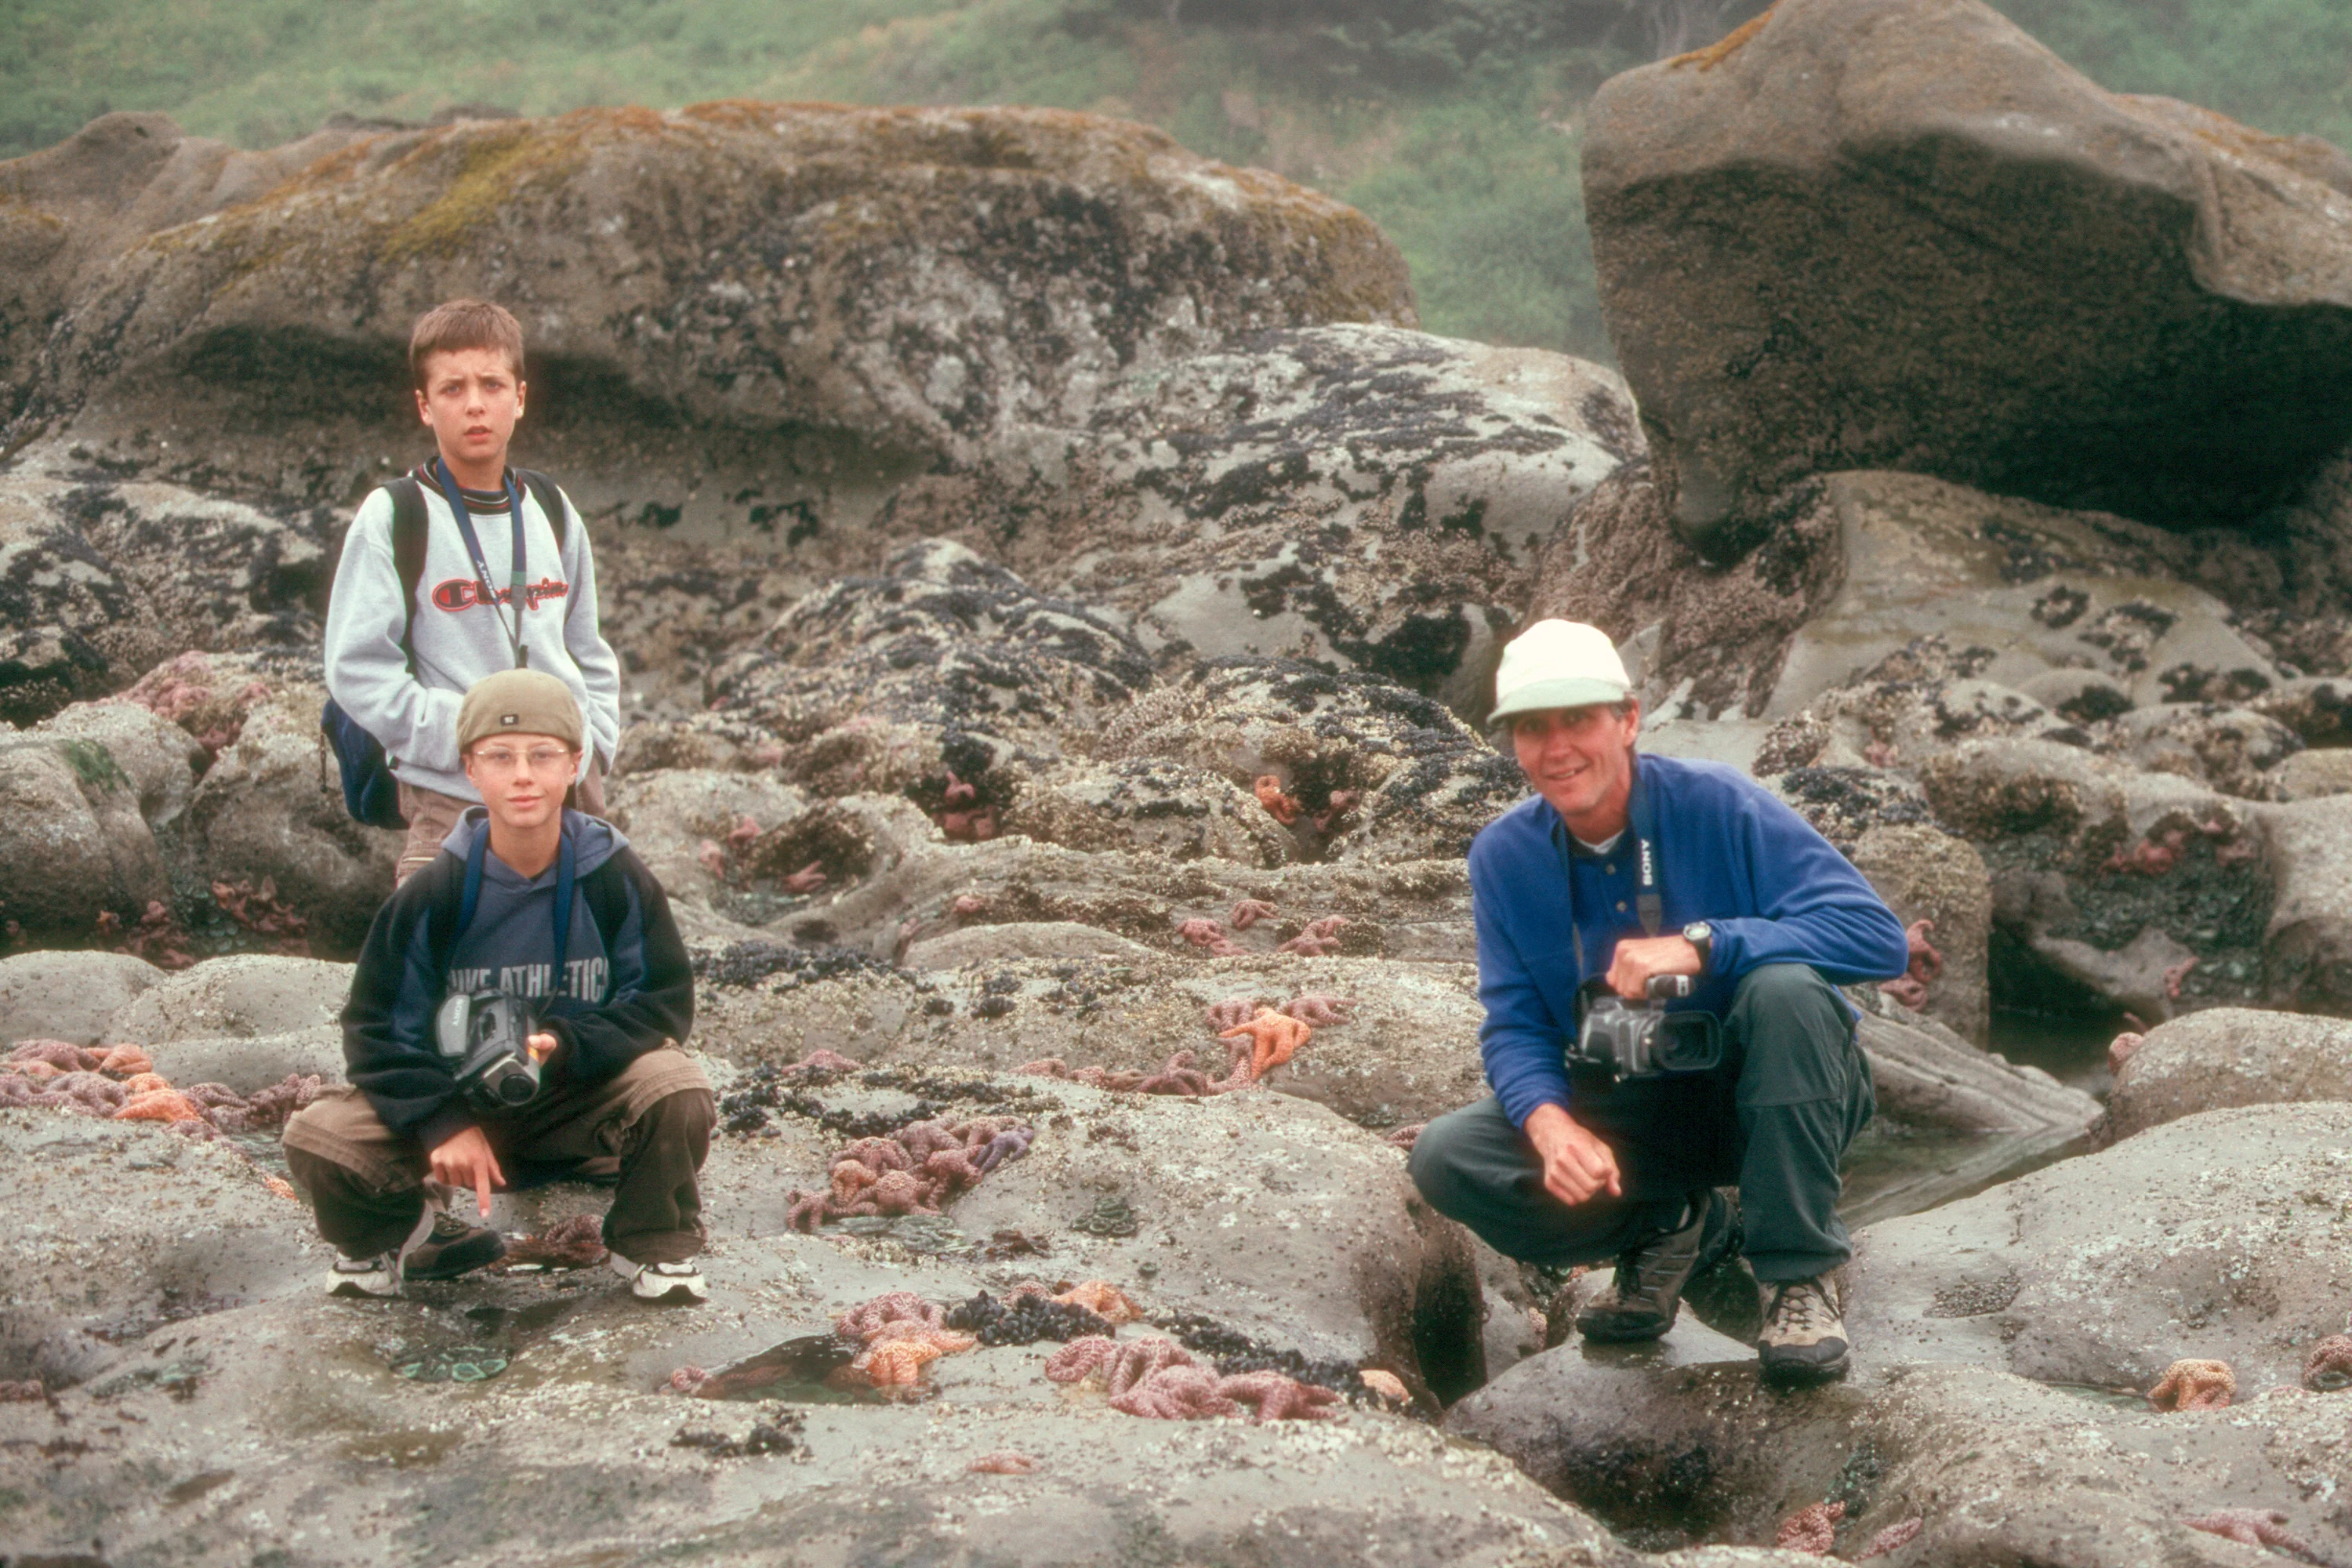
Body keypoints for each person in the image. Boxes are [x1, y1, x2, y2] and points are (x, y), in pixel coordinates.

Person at [1407, 619, 1910, 1383]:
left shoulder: (1723, 805)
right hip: (1632, 1105)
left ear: (1630, 719)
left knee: (1787, 988)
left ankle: (1797, 1277)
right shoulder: (1503, 856)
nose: (1558, 747)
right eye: (1533, 728)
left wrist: (1707, 944)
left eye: (1579, 718)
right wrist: (1550, 1127)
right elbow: (1515, 1025)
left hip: (1775, 1097)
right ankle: (1674, 1223)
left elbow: (1878, 939)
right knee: (1447, 1157)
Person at [282, 670, 713, 1304]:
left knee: (678, 1087)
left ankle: (654, 1243)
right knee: (320, 1136)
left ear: (574, 765)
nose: (522, 775)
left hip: (574, 1095)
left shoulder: (611, 875)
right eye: (500, 757)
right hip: (458, 1099)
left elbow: (661, 1003)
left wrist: (565, 1044)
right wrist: (440, 1121)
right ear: (468, 770)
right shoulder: (436, 891)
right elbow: (375, 1030)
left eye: (543, 756)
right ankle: (393, 1233)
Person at [324, 297, 624, 885]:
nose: (475, 405)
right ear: (424, 406)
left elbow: (587, 647)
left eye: (491, 384)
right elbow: (357, 667)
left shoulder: (552, 509)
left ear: (520, 396)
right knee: (443, 968)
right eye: (453, 389)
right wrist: (462, 738)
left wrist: (593, 742)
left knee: (591, 966)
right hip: (450, 802)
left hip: (566, 801)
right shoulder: (395, 516)